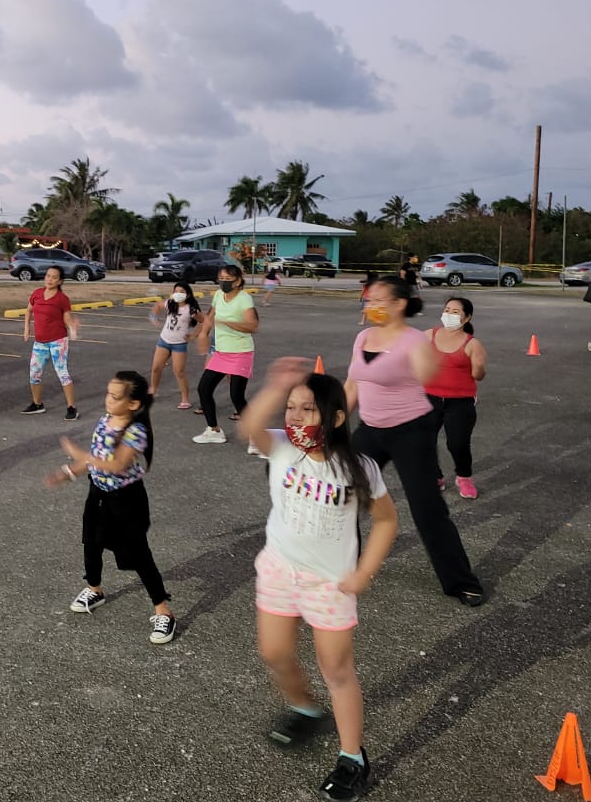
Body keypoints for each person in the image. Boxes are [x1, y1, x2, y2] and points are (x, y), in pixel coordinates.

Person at [239, 358, 398, 802]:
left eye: (307, 409)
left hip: (329, 584)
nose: (294, 418)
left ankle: (352, 758)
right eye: (291, 408)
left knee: (337, 671)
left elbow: (387, 522)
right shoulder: (282, 447)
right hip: (278, 569)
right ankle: (306, 709)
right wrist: (275, 388)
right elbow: (248, 427)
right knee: (274, 652)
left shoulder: (359, 468)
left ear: (337, 416)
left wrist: (364, 571)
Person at [345, 276, 485, 606]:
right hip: (370, 429)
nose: (372, 304)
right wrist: (331, 422)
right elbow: (352, 384)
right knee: (343, 496)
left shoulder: (413, 340)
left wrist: (432, 364)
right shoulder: (363, 336)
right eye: (370, 299)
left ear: (400, 304)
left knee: (427, 509)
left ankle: (461, 582)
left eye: (380, 299)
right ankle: (342, 565)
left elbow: (428, 376)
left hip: (411, 431)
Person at [45, 371, 176, 645]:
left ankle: (163, 610)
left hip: (126, 499)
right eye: (108, 393)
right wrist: (68, 472)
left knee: (138, 553)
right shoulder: (105, 421)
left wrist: (80, 454)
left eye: (116, 397)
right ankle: (94, 589)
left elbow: (117, 464)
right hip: (99, 493)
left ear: (133, 404)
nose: (108, 400)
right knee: (91, 543)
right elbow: (95, 461)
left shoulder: (136, 431)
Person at [424, 298, 487, 499]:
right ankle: (434, 475)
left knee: (457, 443)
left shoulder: (472, 343)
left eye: (455, 312)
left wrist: (477, 367)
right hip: (428, 397)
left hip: (460, 401)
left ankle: (464, 477)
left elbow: (479, 375)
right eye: (447, 310)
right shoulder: (428, 335)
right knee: (424, 440)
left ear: (467, 317)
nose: (449, 315)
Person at [193, 264, 258, 444]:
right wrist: (203, 335)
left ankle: (256, 436)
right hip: (221, 353)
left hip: (241, 352)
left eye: (228, 279)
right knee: (204, 389)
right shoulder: (218, 296)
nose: (223, 282)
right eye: (221, 278)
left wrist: (230, 324)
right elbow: (210, 317)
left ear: (237, 282)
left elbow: (253, 326)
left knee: (236, 395)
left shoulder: (244, 299)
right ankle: (214, 430)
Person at [22, 265, 79, 421]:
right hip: (40, 342)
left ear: (60, 281)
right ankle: (37, 404)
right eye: (48, 276)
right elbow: (29, 310)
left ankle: (71, 407)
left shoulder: (62, 299)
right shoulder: (37, 294)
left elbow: (66, 317)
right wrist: (26, 329)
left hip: (58, 341)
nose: (50, 279)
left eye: (54, 277)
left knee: (62, 373)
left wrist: (72, 327)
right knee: (34, 374)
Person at [148, 282, 201, 409]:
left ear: (188, 294)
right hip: (164, 341)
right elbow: (157, 306)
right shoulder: (170, 303)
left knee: (179, 371)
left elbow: (204, 322)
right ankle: (153, 390)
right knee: (156, 368)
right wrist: (153, 317)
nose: (178, 294)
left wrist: (194, 335)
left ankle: (185, 399)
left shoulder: (191, 309)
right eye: (176, 291)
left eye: (182, 291)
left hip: (179, 344)